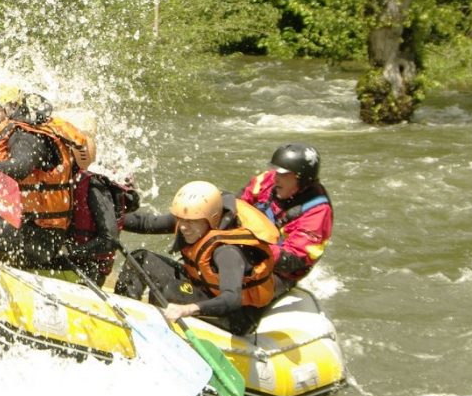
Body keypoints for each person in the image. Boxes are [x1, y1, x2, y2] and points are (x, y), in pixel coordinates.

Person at [0, 66, 91, 269]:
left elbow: (21, 166)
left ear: (5, 106)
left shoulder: (29, 134)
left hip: (39, 237)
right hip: (11, 228)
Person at [115, 180, 281, 335]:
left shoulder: (227, 252)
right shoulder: (196, 221)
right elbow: (146, 223)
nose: (184, 227)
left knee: (170, 290)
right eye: (181, 220)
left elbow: (232, 299)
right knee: (141, 259)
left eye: (191, 222)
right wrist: (110, 218)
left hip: (234, 316)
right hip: (204, 289)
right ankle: (122, 312)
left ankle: (150, 332)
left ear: (212, 218)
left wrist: (188, 309)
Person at [50, 112, 136, 285]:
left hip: (87, 269)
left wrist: (70, 252)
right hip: (69, 260)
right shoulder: (64, 177)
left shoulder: (94, 186)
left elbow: (109, 240)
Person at [240, 143, 333, 290]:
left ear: (301, 178)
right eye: (276, 172)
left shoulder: (318, 211)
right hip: (247, 247)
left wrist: (252, 245)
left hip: (279, 273)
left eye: (282, 174)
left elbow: (294, 259)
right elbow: (238, 204)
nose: (275, 178)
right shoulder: (268, 180)